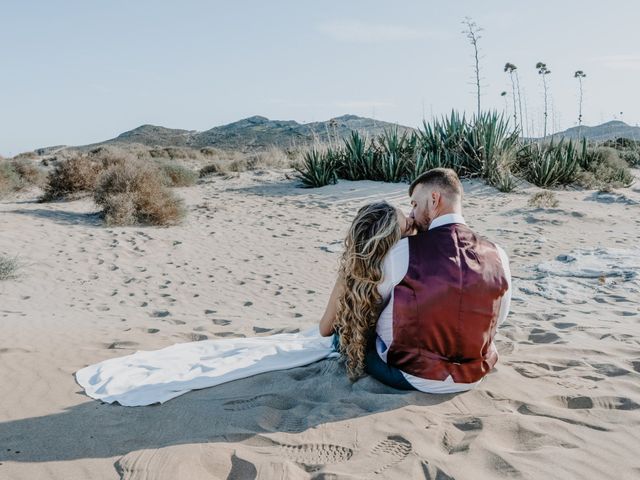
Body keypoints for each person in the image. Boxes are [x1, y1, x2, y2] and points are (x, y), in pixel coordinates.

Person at [320, 168, 511, 393]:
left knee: (347, 333)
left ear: (434, 199)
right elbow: (499, 318)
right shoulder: (498, 254)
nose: (413, 214)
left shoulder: (403, 252)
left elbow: (368, 312)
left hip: (414, 375)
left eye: (415, 204)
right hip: (475, 374)